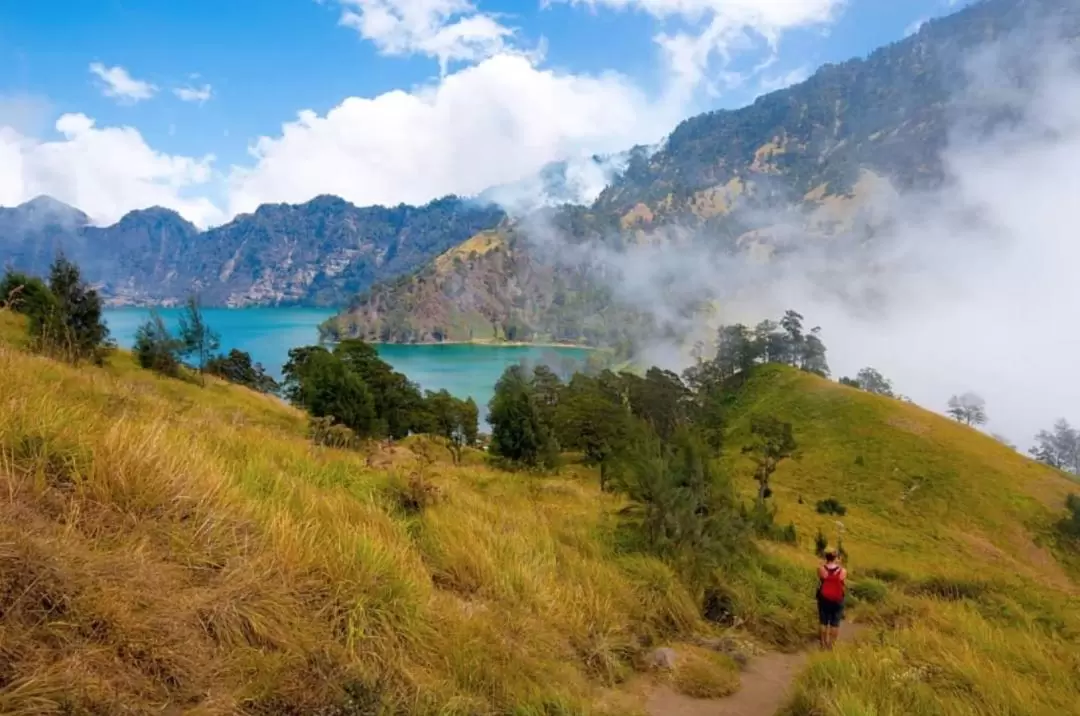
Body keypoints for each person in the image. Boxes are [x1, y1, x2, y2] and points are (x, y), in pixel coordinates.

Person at [816, 550, 846, 650]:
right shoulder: (843, 571)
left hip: (824, 597)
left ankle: (823, 644)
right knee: (835, 622)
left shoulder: (821, 569)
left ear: (826, 558)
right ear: (836, 558)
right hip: (838, 598)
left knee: (823, 621)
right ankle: (831, 645)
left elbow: (821, 578)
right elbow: (842, 580)